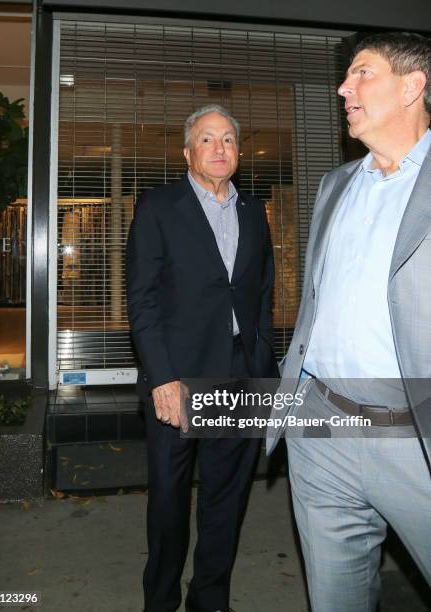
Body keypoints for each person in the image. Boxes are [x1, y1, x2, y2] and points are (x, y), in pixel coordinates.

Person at [266, 32, 431, 611]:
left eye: (362, 72)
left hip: (415, 436)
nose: (344, 87)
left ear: (413, 86)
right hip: (322, 430)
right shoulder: (335, 185)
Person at [127, 104, 278, 612]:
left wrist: (264, 372)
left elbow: (261, 296)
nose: (220, 148)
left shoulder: (254, 212)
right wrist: (162, 378)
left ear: (239, 152)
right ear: (188, 152)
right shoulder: (159, 207)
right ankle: (161, 601)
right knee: (169, 501)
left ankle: (210, 599)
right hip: (180, 379)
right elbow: (142, 301)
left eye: (229, 140)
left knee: (226, 498)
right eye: (208, 140)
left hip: (240, 374)